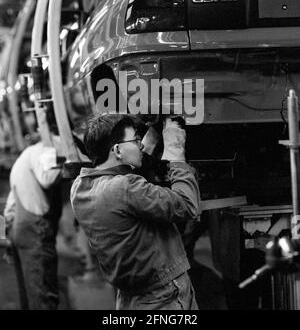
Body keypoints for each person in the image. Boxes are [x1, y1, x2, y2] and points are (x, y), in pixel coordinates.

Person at [70, 113, 201, 310]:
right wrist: (175, 153)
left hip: (130, 298)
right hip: (163, 296)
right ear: (117, 150)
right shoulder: (125, 188)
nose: (140, 145)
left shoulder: (80, 187)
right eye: (135, 140)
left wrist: (149, 137)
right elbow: (187, 205)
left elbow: (125, 183)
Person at [3, 130, 64, 310]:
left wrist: (6, 237)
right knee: (44, 293)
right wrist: (65, 163)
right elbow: (46, 178)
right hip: (35, 230)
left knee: (31, 294)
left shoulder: (23, 157)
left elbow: (9, 207)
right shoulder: (47, 148)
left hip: (19, 230)